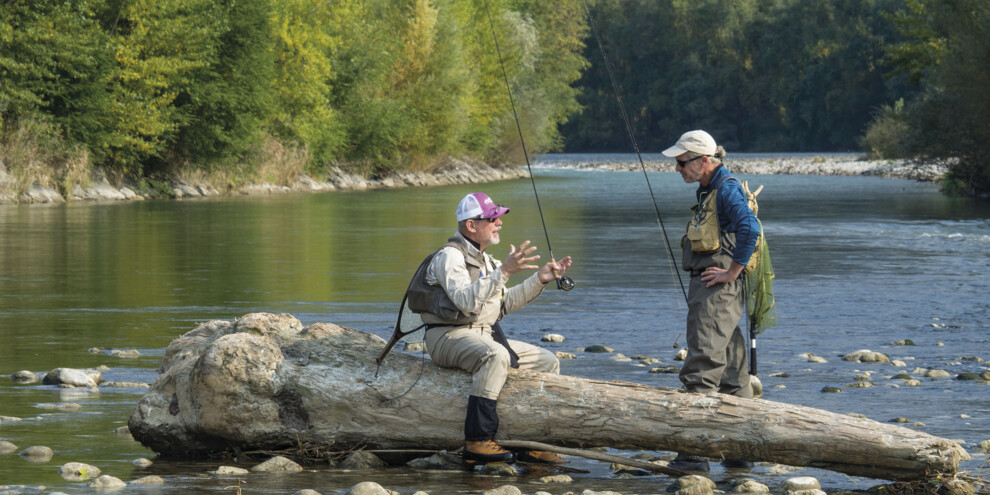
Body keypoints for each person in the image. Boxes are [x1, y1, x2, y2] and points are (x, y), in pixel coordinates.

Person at [416, 192, 573, 466]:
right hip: (446, 337)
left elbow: (503, 305)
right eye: (492, 218)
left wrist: (540, 279)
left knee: (548, 361)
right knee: (496, 355)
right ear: (471, 225)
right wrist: (505, 273)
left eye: (498, 217)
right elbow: (465, 300)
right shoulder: (449, 257)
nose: (499, 223)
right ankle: (477, 440)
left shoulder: (489, 262)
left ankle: (532, 444)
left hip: (482, 334)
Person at [662, 130, 760, 472]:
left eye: (681, 161)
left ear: (704, 161)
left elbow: (751, 229)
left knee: (702, 363)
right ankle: (741, 451)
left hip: (717, 286)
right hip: (717, 287)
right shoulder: (711, 187)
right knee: (733, 370)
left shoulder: (726, 188)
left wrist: (732, 272)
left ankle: (694, 454)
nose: (677, 168)